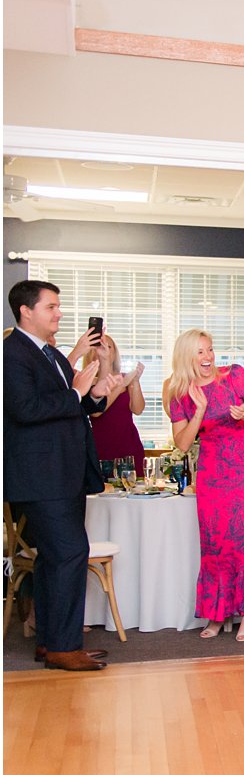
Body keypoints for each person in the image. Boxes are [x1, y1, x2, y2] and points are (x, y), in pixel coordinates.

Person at [3, 280, 120, 670]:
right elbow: (25, 409)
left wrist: (95, 393)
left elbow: (68, 406)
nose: (59, 313)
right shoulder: (12, 353)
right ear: (26, 311)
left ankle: (50, 642)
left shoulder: (50, 353)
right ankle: (65, 647)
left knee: (54, 558)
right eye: (51, 307)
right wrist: (74, 394)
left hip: (64, 473)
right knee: (71, 552)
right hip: (40, 475)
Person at [165, 329, 244, 641]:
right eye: (200, 352)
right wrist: (199, 411)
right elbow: (183, 443)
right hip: (212, 471)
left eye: (210, 350)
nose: (208, 357)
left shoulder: (234, 376)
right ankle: (216, 612)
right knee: (214, 542)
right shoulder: (178, 394)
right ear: (187, 357)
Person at [85, 333, 148, 477]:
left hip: (128, 444)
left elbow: (138, 409)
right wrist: (121, 386)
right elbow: (96, 412)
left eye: (109, 347)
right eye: (99, 346)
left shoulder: (126, 377)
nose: (104, 350)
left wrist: (135, 381)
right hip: (101, 446)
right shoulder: (87, 380)